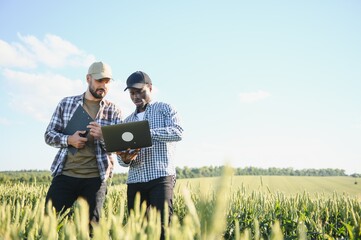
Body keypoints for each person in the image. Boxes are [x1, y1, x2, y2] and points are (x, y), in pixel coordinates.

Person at [44, 61, 122, 225]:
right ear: (88, 79)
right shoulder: (66, 104)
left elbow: (117, 147)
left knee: (92, 229)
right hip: (65, 175)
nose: (103, 85)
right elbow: (49, 135)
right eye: (99, 81)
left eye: (107, 82)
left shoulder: (113, 110)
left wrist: (103, 136)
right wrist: (69, 140)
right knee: (48, 224)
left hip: (95, 179)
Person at [118, 71, 183, 240]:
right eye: (132, 93)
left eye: (140, 91)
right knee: (137, 230)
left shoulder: (165, 109)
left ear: (150, 88)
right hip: (135, 180)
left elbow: (177, 132)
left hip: (160, 177)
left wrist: (145, 133)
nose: (136, 96)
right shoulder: (126, 122)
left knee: (163, 228)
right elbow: (121, 160)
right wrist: (124, 159)